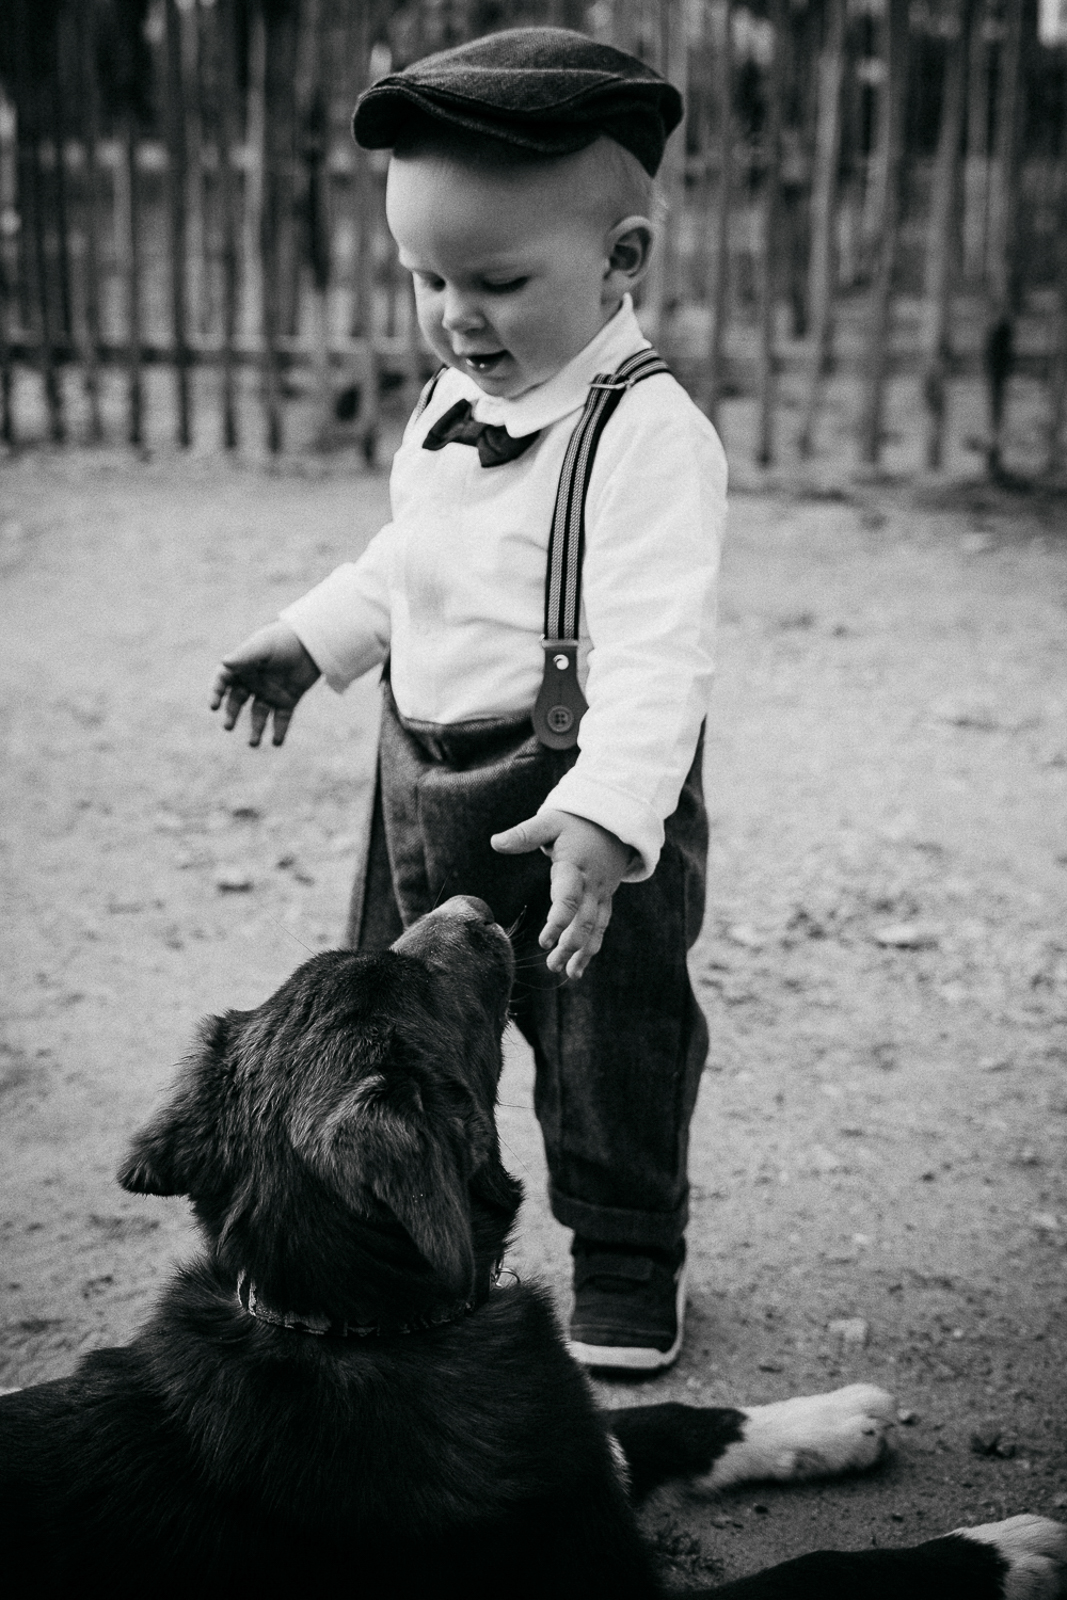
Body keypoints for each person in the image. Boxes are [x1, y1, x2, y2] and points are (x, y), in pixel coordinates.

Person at [211, 27, 726, 1374]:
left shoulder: (649, 438)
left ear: (622, 258)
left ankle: (626, 1253)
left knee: (610, 1037)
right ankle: (399, 1233)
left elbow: (660, 652)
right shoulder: (451, 401)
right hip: (419, 778)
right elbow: (415, 563)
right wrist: (316, 635)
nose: (455, 315)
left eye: (497, 282)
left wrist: (612, 814)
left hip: (576, 791)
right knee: (391, 1023)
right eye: (427, 278)